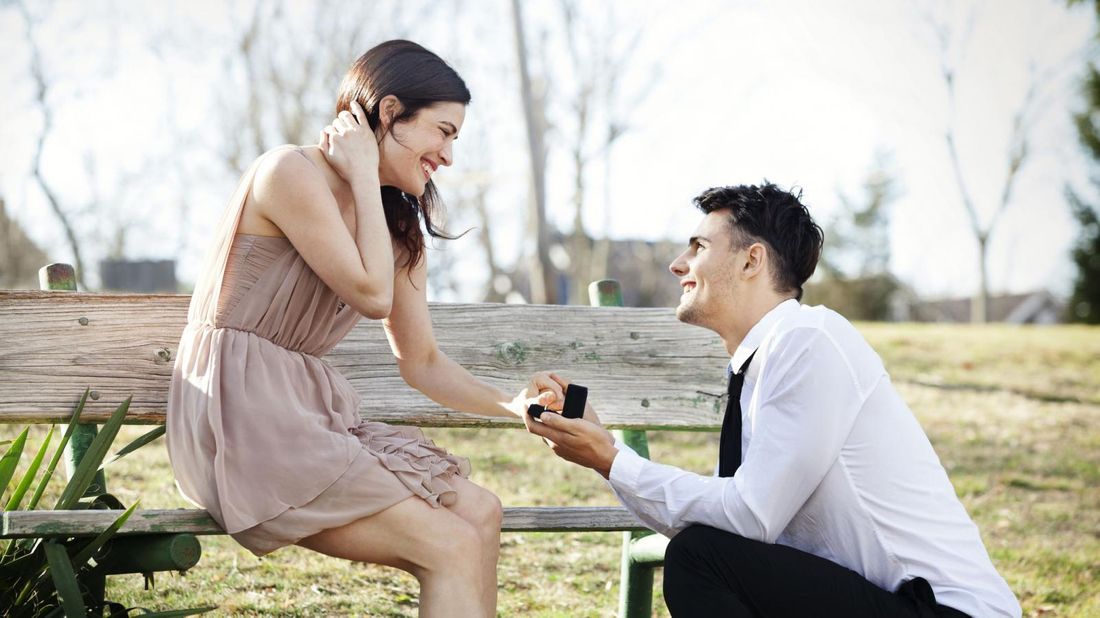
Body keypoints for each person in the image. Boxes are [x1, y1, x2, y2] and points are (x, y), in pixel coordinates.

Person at [167, 40, 555, 618]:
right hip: (240, 418)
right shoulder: (288, 172)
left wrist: (514, 405)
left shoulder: (397, 224)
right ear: (390, 112)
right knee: (448, 546)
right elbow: (371, 296)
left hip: (306, 416)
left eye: (455, 139)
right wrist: (363, 179)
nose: (448, 156)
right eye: (443, 132)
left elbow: (421, 361)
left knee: (481, 513)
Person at [523, 183, 1021, 617]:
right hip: (874, 600)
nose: (678, 264)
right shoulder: (760, 365)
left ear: (751, 260)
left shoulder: (809, 340)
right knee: (705, 550)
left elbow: (749, 518)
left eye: (698, 246)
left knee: (700, 557)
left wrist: (613, 460)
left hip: (940, 610)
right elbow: (731, 523)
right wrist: (604, 452)